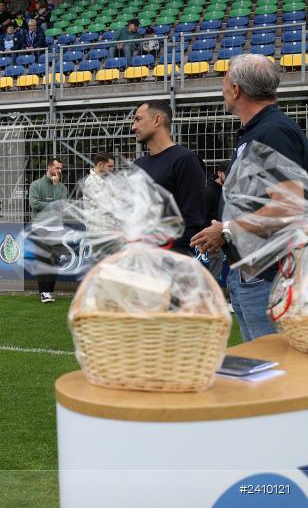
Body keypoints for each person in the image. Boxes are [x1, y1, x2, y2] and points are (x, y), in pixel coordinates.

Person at [191, 54, 308, 342]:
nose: (222, 88)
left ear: (236, 89)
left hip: (268, 277)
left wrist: (227, 229)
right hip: (251, 274)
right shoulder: (260, 130)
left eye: (224, 81)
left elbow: (290, 207)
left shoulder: (273, 131)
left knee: (273, 377)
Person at [131, 99, 206, 254]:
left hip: (173, 261)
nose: (134, 127)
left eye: (138, 119)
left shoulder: (185, 160)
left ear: (157, 120)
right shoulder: (138, 164)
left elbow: (193, 219)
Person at [29, 158, 69, 303]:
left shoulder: (62, 187)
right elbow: (34, 204)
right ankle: (43, 292)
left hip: (57, 228)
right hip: (40, 228)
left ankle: (50, 291)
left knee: (54, 262)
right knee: (43, 261)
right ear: (49, 168)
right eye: (57, 168)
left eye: (60, 169)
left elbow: (62, 206)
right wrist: (53, 205)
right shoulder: (36, 185)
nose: (59, 171)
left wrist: (56, 185)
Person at [80, 152, 117, 236]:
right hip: (98, 232)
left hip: (107, 230)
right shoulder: (92, 182)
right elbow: (107, 205)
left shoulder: (104, 180)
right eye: (109, 166)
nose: (112, 169)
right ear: (100, 164)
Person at [203, 165, 226, 282]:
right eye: (227, 174)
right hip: (213, 235)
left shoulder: (227, 190)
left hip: (225, 232)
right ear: (219, 173)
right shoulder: (209, 192)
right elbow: (203, 214)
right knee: (214, 267)